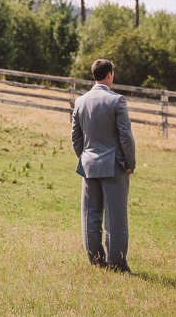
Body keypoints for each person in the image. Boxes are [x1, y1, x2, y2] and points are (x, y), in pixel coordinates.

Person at [71, 58, 136, 273]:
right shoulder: (117, 101)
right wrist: (129, 163)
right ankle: (117, 264)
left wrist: (85, 157)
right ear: (109, 75)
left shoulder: (80, 102)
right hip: (114, 165)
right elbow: (125, 136)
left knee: (90, 215)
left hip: (89, 165)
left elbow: (76, 138)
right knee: (115, 217)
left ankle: (96, 260)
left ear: (94, 76)